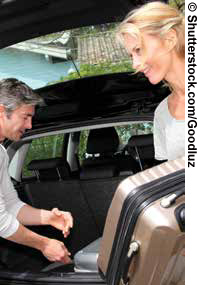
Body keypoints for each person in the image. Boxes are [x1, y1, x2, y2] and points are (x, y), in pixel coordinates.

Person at [0, 78, 73, 264]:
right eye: (25, 117)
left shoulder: (1, 152)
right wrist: (44, 244)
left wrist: (49, 218)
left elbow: (11, 205)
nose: (30, 126)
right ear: (1, 111)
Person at [116, 1, 185, 160]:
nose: (135, 64)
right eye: (131, 56)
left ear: (169, 39)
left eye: (138, 50)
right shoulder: (162, 113)